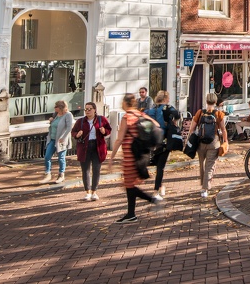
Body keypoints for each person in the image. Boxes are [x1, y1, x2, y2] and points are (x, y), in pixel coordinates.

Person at [108, 93, 162, 224]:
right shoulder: (140, 115)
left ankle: (152, 200)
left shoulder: (127, 117)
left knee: (129, 185)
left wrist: (111, 157)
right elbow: (157, 126)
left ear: (125, 103)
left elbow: (119, 139)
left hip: (130, 155)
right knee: (129, 184)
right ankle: (131, 214)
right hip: (140, 154)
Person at [187, 92, 228, 198]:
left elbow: (192, 128)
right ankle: (205, 189)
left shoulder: (200, 112)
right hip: (213, 142)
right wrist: (226, 140)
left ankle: (203, 186)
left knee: (202, 164)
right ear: (215, 102)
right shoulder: (219, 114)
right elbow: (223, 129)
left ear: (206, 101)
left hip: (201, 143)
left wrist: (189, 140)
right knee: (210, 165)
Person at [71, 102, 111, 201]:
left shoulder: (101, 119)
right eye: (86, 109)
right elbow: (73, 132)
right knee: (85, 170)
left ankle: (94, 192)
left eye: (89, 109)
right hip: (85, 147)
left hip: (97, 147)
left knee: (96, 169)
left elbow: (108, 129)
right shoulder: (80, 121)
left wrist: (104, 131)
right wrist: (77, 134)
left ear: (94, 110)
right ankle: (87, 192)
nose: (87, 111)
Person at [145, 90, 180, 200]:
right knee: (160, 167)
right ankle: (155, 192)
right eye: (168, 98)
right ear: (165, 99)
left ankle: (160, 187)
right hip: (164, 140)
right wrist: (174, 122)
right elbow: (178, 115)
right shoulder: (168, 108)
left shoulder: (151, 110)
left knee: (157, 165)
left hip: (152, 140)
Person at [40, 100, 74, 184]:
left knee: (61, 158)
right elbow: (53, 125)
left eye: (56, 107)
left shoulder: (68, 115)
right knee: (47, 156)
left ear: (61, 108)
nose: (54, 108)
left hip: (61, 140)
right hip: (52, 139)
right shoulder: (55, 115)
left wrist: (63, 137)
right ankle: (48, 174)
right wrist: (51, 121)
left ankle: (61, 174)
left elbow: (69, 127)